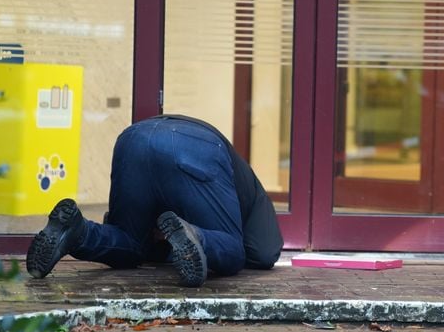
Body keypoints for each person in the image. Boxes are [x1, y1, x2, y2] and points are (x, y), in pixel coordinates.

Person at [26, 114, 284, 287]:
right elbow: (265, 252)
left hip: (132, 140)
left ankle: (78, 232)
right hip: (195, 146)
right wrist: (190, 236)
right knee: (233, 250)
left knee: (129, 243)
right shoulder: (254, 193)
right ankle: (198, 236)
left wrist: (166, 243)